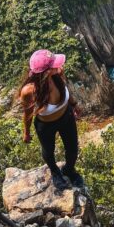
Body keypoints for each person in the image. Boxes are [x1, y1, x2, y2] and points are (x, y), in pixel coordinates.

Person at [19, 49, 84, 190]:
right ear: (47, 71)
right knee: (48, 152)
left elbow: (66, 89)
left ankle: (69, 170)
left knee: (73, 149)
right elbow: (27, 113)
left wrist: (74, 105)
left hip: (66, 117)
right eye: (54, 64)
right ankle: (55, 172)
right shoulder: (29, 91)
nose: (59, 65)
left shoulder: (58, 74)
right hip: (46, 125)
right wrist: (26, 132)